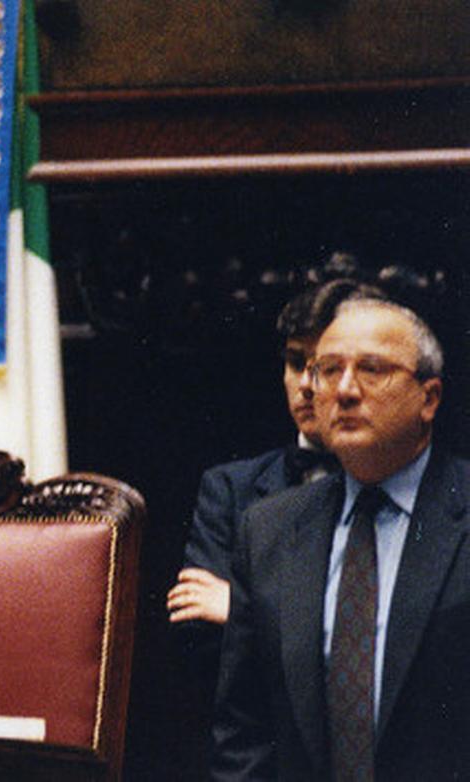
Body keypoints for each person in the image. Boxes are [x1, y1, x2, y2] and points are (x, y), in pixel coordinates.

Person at [212, 297, 470, 779]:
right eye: (328, 370)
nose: (345, 390)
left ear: (429, 398)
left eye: (372, 370)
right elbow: (242, 732)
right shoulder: (267, 530)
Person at [167, 279, 381, 629]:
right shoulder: (229, 490)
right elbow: (198, 632)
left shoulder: (422, 485)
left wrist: (243, 609)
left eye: (327, 366)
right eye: (296, 363)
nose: (307, 386)